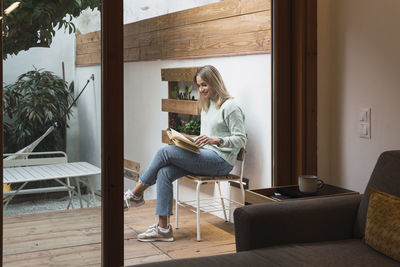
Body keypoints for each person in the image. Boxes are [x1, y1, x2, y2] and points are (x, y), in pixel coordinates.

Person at [124, 65, 246, 242]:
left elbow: (241, 139)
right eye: (198, 85)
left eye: (204, 84)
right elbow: (206, 138)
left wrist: (216, 140)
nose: (201, 89)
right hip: (205, 156)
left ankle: (135, 194)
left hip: (221, 162)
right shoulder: (207, 106)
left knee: (164, 152)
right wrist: (191, 142)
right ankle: (163, 229)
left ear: (214, 82)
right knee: (164, 172)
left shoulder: (230, 107)